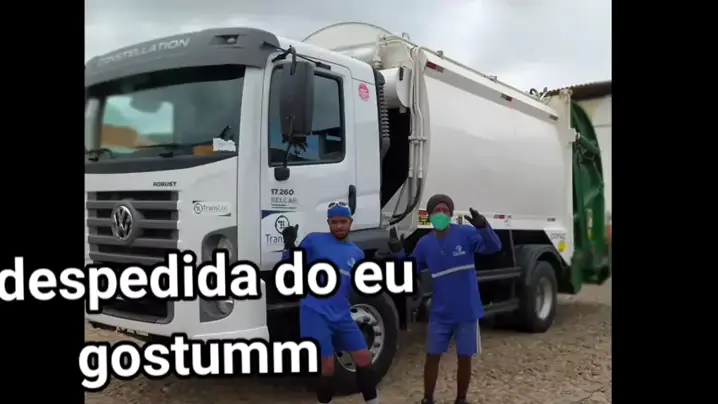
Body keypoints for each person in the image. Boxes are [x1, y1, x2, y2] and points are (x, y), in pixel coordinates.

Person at [387, 194, 502, 404]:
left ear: (450, 214)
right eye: (436, 211)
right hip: (440, 313)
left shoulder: (466, 233)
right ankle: (427, 398)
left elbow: (494, 246)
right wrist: (398, 252)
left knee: (464, 357)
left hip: (467, 312)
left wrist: (483, 226)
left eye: (445, 211)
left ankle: (461, 399)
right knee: (432, 356)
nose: (441, 214)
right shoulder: (425, 244)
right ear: (430, 215)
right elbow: (410, 269)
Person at [281, 201, 380, 404]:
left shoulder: (357, 253)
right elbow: (290, 268)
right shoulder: (314, 241)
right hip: (315, 312)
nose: (339, 226)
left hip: (342, 314)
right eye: (334, 222)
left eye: (343, 222)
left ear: (350, 222)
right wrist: (289, 247)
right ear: (328, 223)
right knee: (327, 367)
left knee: (364, 358)